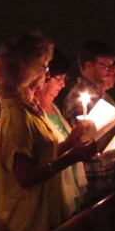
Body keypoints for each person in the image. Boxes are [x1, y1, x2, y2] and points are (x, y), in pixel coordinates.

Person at [0, 33, 95, 231]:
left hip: (45, 219)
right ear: (23, 70)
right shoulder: (16, 113)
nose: (47, 73)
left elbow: (43, 157)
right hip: (28, 226)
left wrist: (73, 147)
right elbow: (25, 176)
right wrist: (72, 157)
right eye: (43, 66)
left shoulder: (30, 108)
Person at [63, 39, 115, 204]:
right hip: (94, 179)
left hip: (108, 175)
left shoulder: (102, 96)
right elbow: (82, 142)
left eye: (112, 65)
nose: (110, 71)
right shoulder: (80, 97)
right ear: (88, 65)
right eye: (105, 65)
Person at [36, 49, 87, 218]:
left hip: (72, 186)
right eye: (58, 79)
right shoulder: (33, 115)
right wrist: (71, 141)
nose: (63, 85)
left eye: (64, 79)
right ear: (41, 78)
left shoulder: (55, 109)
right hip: (53, 195)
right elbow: (40, 158)